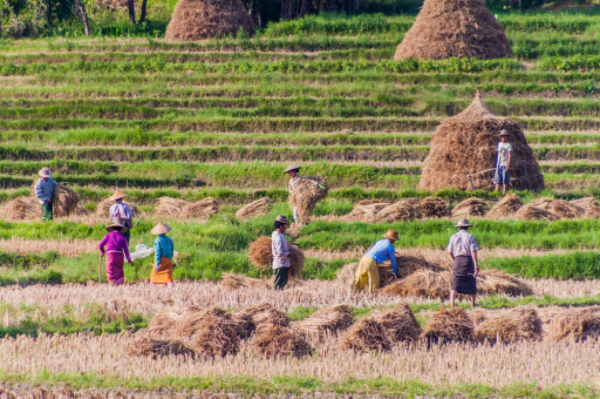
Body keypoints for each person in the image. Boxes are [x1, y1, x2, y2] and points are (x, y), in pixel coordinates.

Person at [351, 230, 399, 294]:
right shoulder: (390, 247)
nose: (395, 241)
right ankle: (373, 296)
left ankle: (353, 293)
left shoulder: (379, 242)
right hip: (371, 262)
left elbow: (373, 250)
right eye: (395, 239)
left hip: (363, 259)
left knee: (359, 278)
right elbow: (393, 261)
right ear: (393, 239)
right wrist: (395, 273)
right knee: (374, 281)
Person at [447, 219, 479, 308]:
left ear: (459, 227)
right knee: (471, 280)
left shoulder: (453, 236)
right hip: (468, 260)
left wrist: (455, 259)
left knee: (455, 281)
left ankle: (452, 305)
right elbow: (473, 251)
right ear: (467, 227)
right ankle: (473, 304)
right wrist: (476, 264)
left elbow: (450, 251)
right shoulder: (470, 237)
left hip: (457, 260)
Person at [151, 222, 175, 286]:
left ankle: (153, 286)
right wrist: (170, 257)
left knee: (154, 274)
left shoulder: (158, 240)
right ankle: (170, 284)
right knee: (167, 274)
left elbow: (158, 251)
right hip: (168, 259)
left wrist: (158, 262)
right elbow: (172, 249)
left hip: (161, 259)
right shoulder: (169, 239)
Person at [272, 215, 291, 290]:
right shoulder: (278, 238)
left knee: (282, 283)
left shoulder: (277, 235)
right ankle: (276, 298)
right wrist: (288, 253)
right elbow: (280, 252)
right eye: (285, 225)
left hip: (282, 264)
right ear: (281, 226)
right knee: (279, 285)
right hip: (281, 264)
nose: (285, 227)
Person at [494, 130, 513, 195]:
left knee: (505, 179)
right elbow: (498, 152)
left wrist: (508, 165)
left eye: (505, 136)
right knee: (497, 178)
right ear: (501, 137)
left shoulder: (508, 145)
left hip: (504, 164)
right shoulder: (499, 144)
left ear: (507, 137)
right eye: (502, 136)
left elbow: (509, 155)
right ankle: (496, 191)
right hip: (498, 164)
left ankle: (504, 192)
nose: (503, 138)